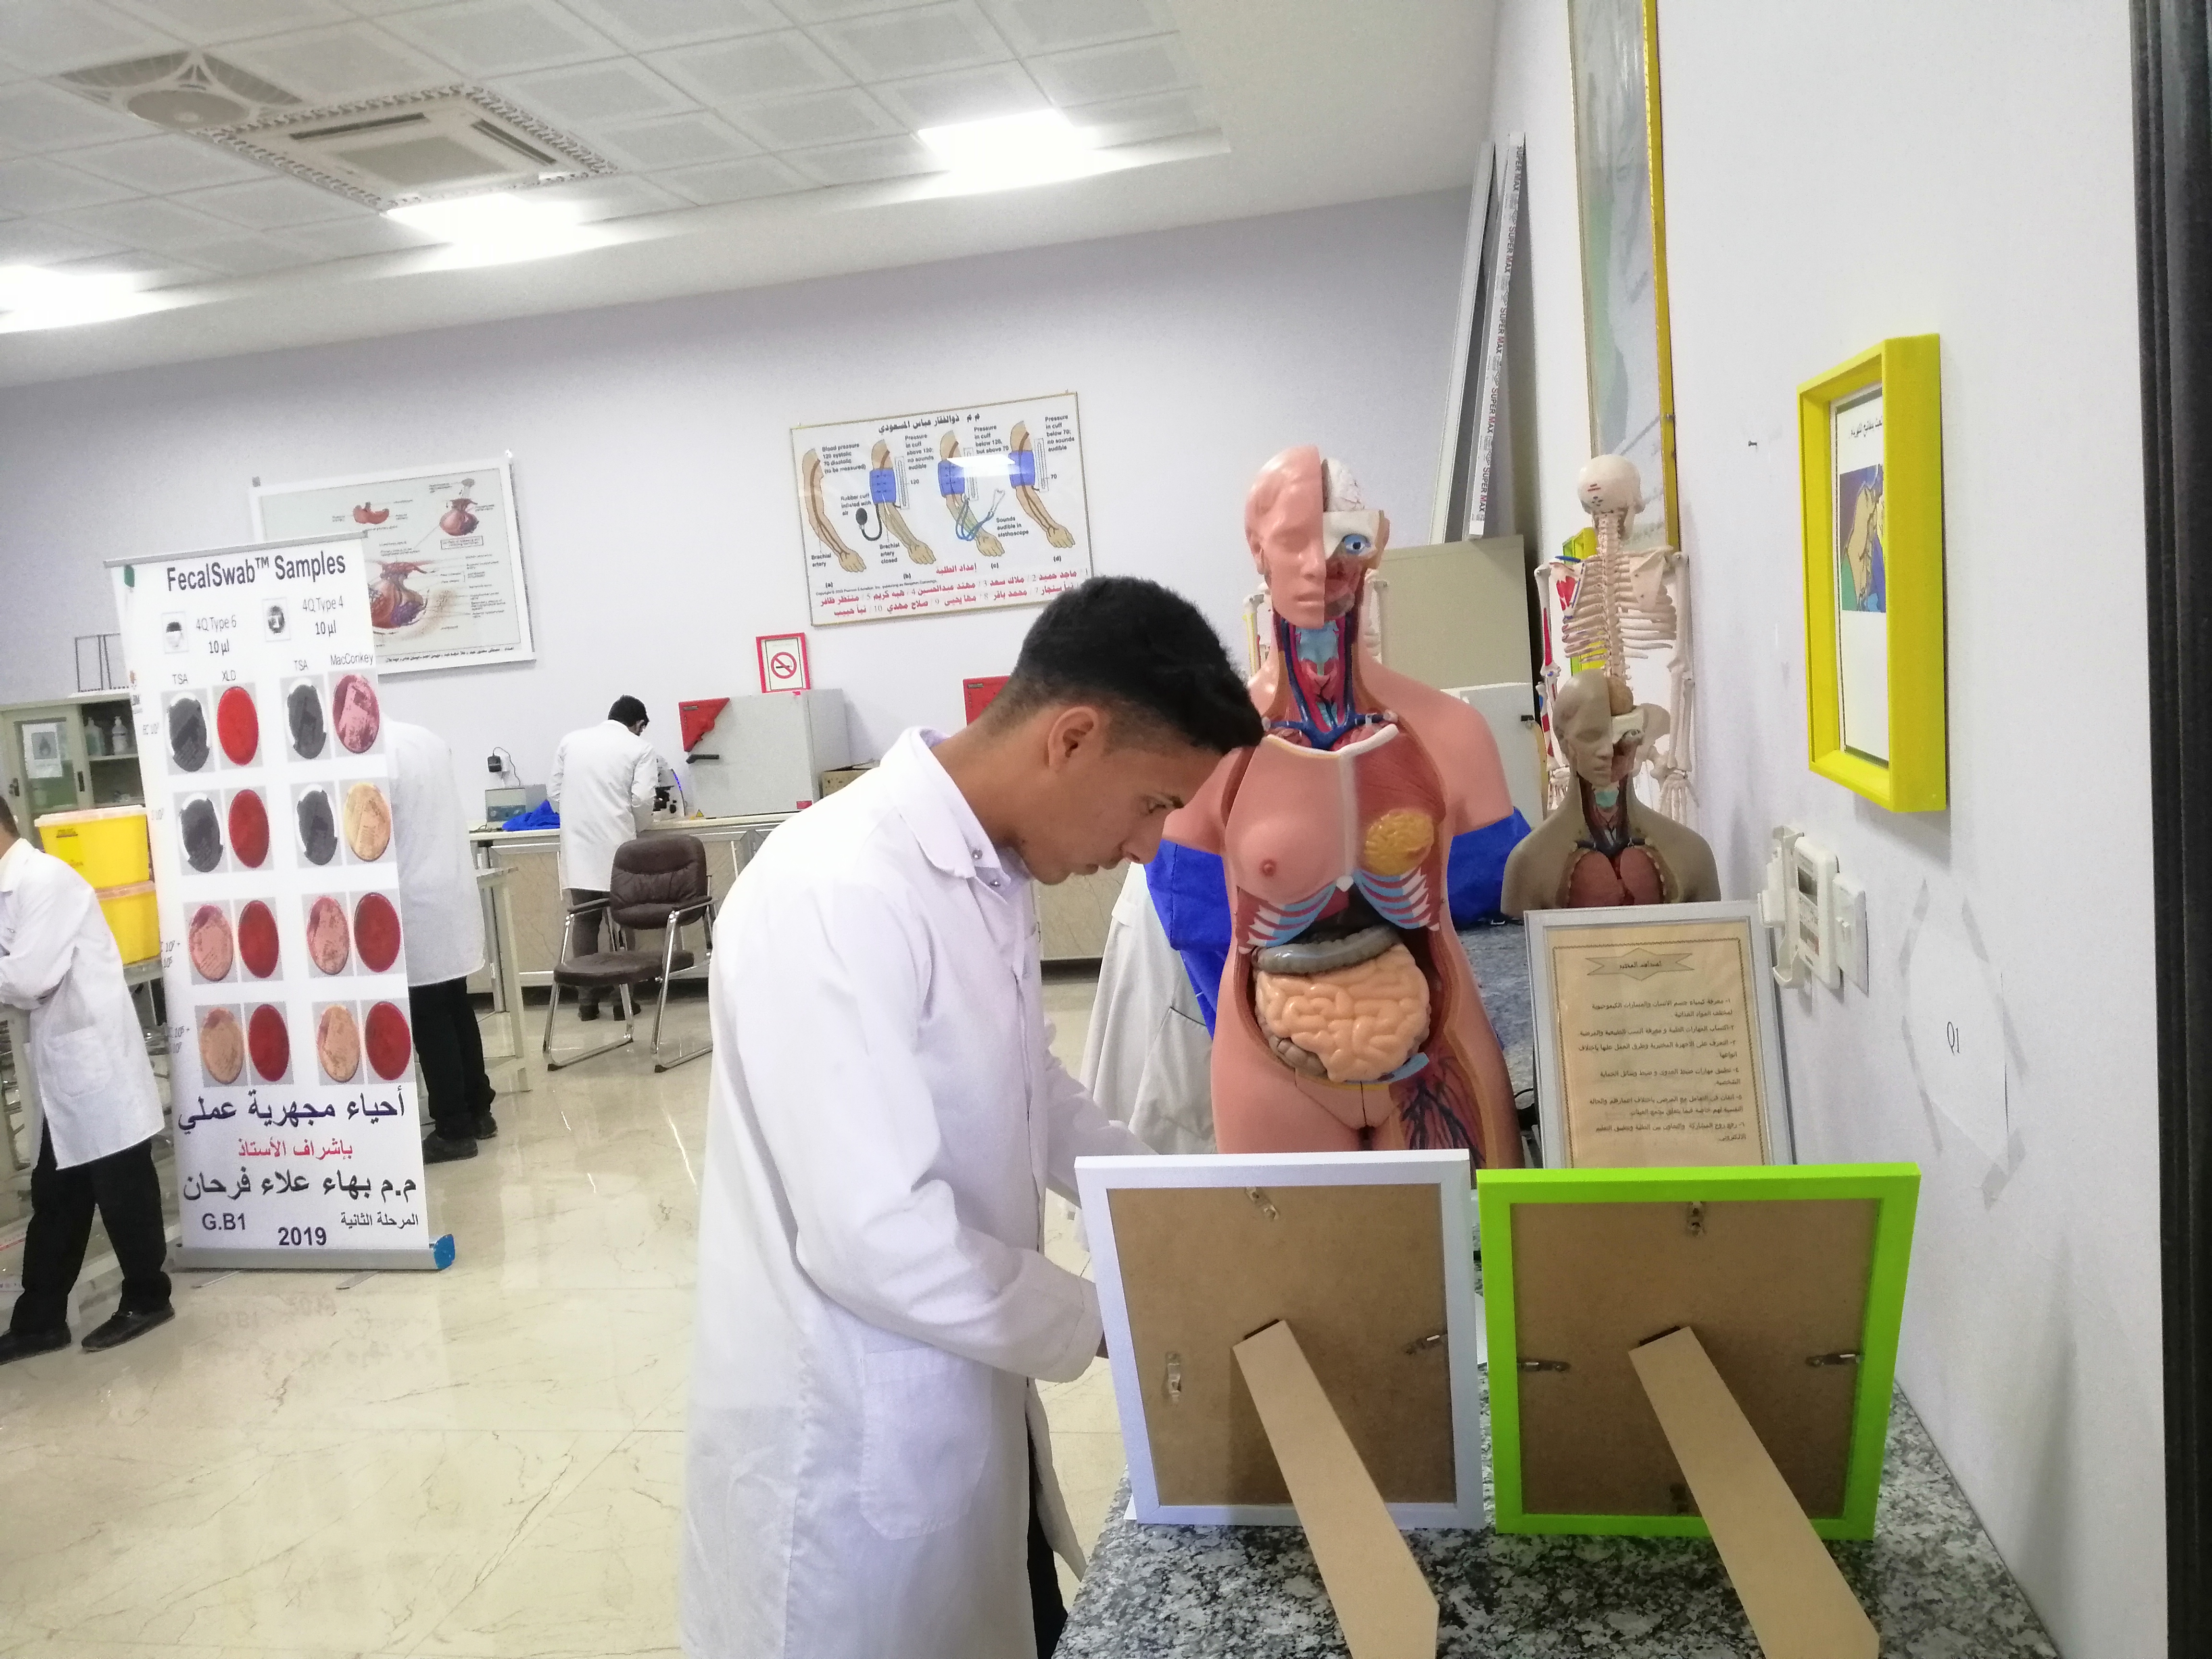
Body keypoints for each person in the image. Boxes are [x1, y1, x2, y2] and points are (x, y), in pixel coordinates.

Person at [680, 577, 1264, 1659]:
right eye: (1152, 803)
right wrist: (1116, 1319)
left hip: (957, 1396)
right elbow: (873, 1236)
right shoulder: (840, 889)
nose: (1148, 847)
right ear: (1072, 738)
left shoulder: (989, 865)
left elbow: (1031, 1086)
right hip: (847, 1455)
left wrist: (1185, 1212)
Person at [0, 793, 172, 1363]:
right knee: (58, 1194)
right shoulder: (11, 888)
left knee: (123, 1188)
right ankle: (40, 1321)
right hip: (66, 1063)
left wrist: (13, 977)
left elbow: (29, 979)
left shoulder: (45, 881)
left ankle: (148, 1297)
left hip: (96, 1059)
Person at [387, 720, 497, 1166]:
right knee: (455, 1005)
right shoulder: (424, 739)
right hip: (449, 889)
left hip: (415, 898)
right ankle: (479, 1110)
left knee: (431, 1017)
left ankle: (453, 1128)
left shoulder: (372, 754)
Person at [548, 696, 658, 1020]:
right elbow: (642, 800)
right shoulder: (640, 748)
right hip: (618, 846)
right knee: (623, 919)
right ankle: (623, 1002)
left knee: (585, 919)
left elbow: (554, 793)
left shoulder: (571, 741)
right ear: (639, 724)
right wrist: (635, 826)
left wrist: (578, 816)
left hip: (578, 846)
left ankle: (587, 1002)